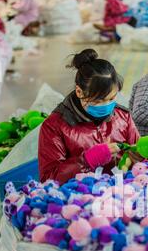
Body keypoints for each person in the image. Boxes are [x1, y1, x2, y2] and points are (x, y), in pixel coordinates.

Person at [39, 49, 139, 184]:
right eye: (98, 100)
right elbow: (48, 179)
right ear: (79, 91)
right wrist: (86, 160)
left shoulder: (123, 117)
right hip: (79, 197)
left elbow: (139, 159)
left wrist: (141, 157)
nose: (106, 105)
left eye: (111, 98)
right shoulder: (55, 126)